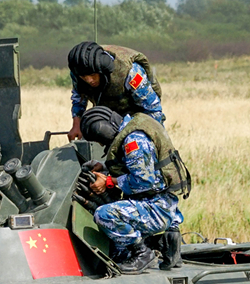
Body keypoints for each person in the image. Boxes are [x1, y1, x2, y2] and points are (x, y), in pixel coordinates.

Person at [79, 106, 190, 274]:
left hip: (157, 208)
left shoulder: (133, 141)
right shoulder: (135, 127)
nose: (102, 144)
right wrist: (103, 167)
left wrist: (109, 181)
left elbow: (143, 181)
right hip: (165, 205)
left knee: (104, 215)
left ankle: (142, 253)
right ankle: (166, 243)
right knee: (118, 250)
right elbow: (141, 168)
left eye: (100, 139)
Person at [66, 41, 165, 141]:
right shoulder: (78, 71)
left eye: (92, 75)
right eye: (84, 77)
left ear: (102, 70)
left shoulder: (131, 72)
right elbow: (79, 97)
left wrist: (136, 132)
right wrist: (76, 124)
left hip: (137, 116)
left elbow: (153, 110)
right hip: (108, 117)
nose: (89, 80)